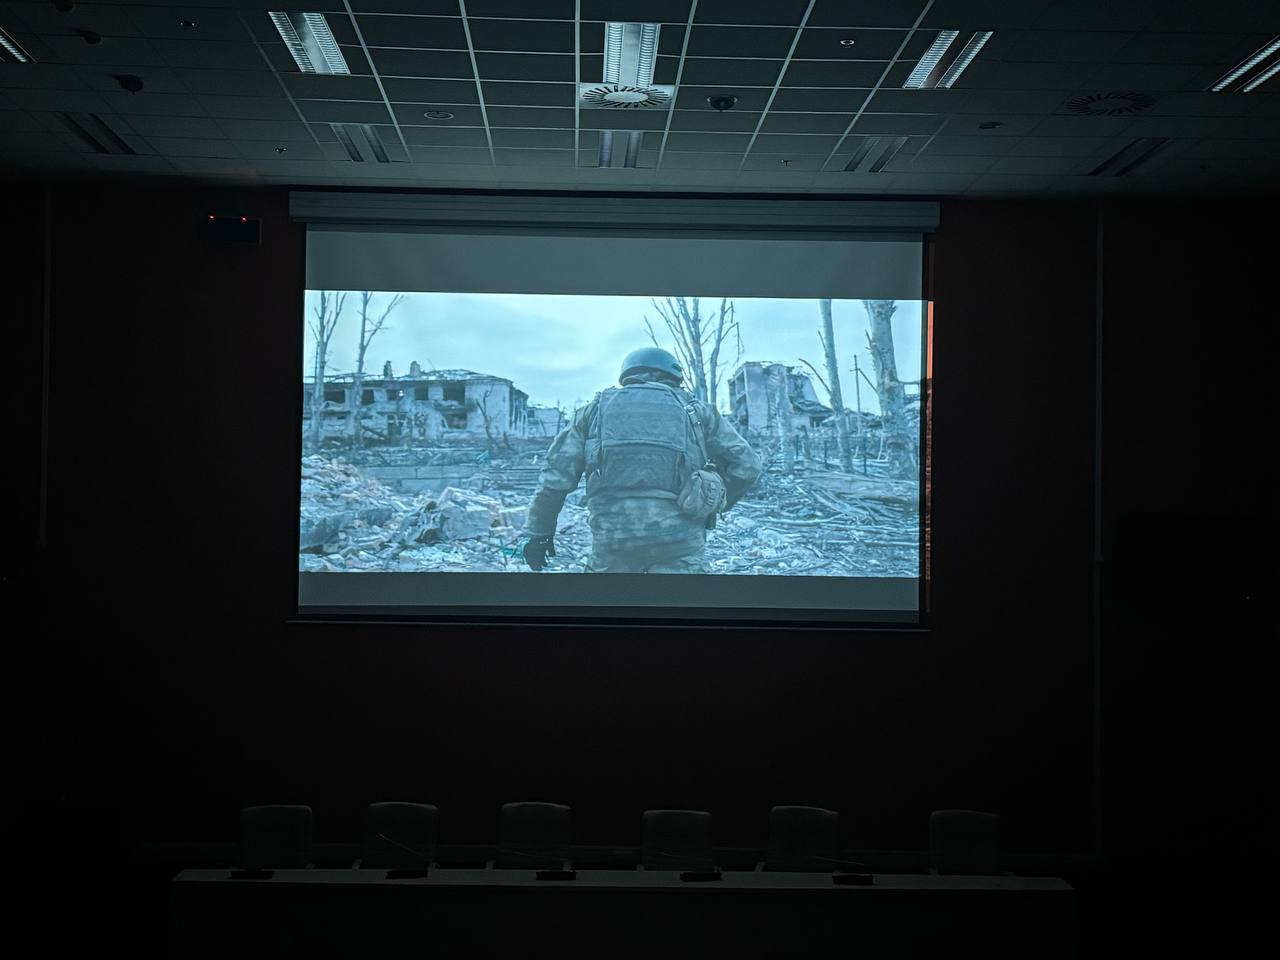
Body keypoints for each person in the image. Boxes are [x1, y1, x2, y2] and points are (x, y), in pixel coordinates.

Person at [521, 347, 762, 573]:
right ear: (673, 376)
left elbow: (555, 479)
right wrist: (713, 501)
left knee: (606, 603)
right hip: (681, 540)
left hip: (612, 540)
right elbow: (748, 465)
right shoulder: (698, 411)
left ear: (627, 375)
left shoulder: (593, 410)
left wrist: (540, 533)